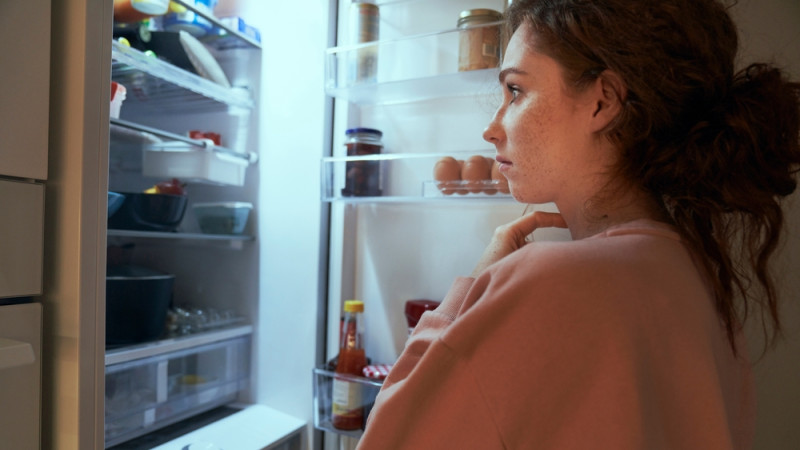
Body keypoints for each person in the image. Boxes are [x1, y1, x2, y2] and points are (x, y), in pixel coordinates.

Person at [357, 0, 800, 448]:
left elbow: (384, 441)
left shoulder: (550, 281)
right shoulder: (703, 277)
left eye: (515, 91)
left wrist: (471, 290)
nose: (492, 128)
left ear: (602, 101)